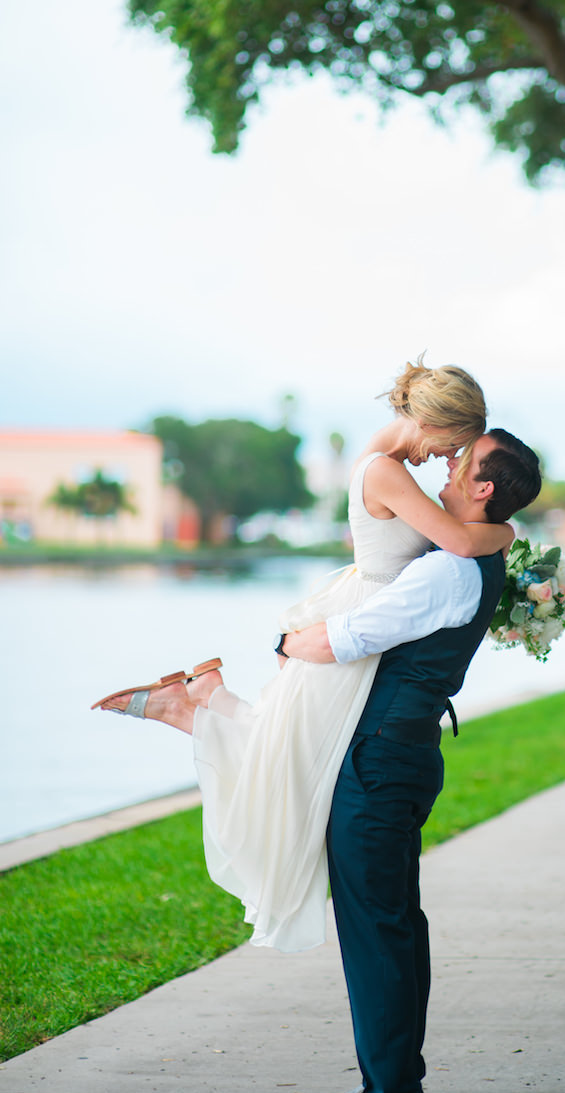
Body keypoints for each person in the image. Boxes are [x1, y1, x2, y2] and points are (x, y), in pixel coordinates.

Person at [92, 359, 514, 951]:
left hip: (366, 619)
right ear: (433, 422)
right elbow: (464, 540)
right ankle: (193, 707)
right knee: (292, 759)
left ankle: (199, 702)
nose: (449, 459)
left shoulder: (385, 466)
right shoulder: (386, 472)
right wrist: (509, 535)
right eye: (453, 445)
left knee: (292, 745)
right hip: (363, 625)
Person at [281, 428, 542, 1093]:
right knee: (392, 922)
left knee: (378, 928)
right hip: (401, 751)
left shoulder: (449, 567)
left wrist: (285, 641)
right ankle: (391, 1085)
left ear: (483, 489)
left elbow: (352, 637)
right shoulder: (469, 556)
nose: (450, 467)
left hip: (382, 758)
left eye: (464, 461)